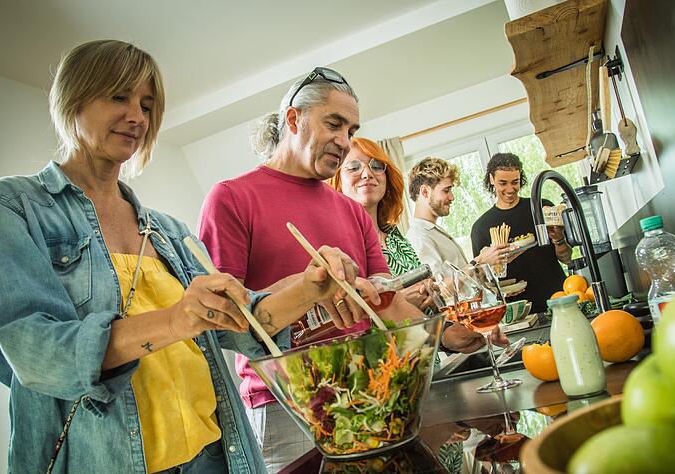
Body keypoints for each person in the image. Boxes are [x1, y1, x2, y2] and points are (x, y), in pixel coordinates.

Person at [0, 40, 358, 474]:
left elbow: (243, 321)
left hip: (213, 453)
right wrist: (179, 318)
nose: (137, 116)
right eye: (119, 96)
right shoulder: (13, 205)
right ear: (72, 99)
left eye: (147, 104)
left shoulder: (169, 231)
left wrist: (310, 287)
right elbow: (34, 352)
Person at [198, 68, 494, 471]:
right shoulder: (231, 198)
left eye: (351, 129)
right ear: (293, 120)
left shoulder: (352, 212)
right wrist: (305, 287)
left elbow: (385, 302)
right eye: (333, 124)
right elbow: (220, 322)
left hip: (373, 386)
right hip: (287, 403)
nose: (344, 141)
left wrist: (443, 335)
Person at [328, 137, 431, 310]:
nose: (368, 174)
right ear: (337, 182)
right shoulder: (336, 245)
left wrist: (431, 291)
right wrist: (398, 303)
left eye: (376, 166)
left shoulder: (395, 236)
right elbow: (343, 317)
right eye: (354, 167)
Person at [470, 153, 571, 311]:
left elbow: (566, 258)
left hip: (558, 298)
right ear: (491, 179)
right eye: (503, 183)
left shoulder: (541, 207)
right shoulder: (481, 227)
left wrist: (558, 239)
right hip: (518, 310)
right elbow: (481, 279)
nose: (510, 189)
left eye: (515, 182)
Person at [406, 157, 508, 272]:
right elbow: (440, 288)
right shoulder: (418, 238)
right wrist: (480, 261)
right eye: (446, 190)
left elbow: (460, 282)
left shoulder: (433, 231)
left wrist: (489, 260)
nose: (452, 197)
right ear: (425, 192)